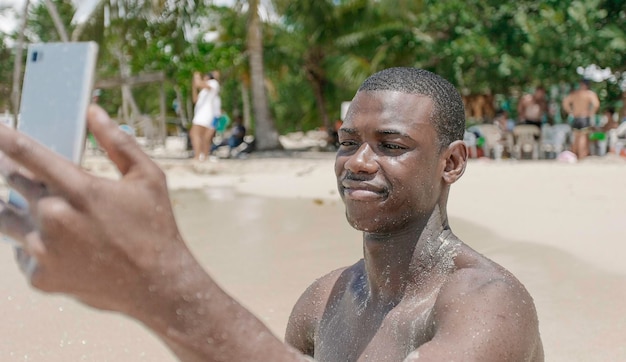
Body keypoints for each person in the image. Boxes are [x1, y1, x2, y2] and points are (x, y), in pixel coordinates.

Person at [0, 67, 543, 361]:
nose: (357, 161)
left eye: (390, 145)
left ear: (451, 163)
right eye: (347, 140)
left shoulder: (488, 306)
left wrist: (156, 282)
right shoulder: (323, 301)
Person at [561, 79, 600, 159]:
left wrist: (571, 111)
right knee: (583, 138)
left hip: (576, 117)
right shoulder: (589, 94)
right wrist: (591, 113)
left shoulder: (575, 94)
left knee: (576, 138)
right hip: (584, 117)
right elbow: (596, 104)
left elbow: (565, 102)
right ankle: (582, 156)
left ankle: (574, 156)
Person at [190, 71, 221, 161]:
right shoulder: (204, 91)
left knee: (194, 134)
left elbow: (199, 83)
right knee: (203, 137)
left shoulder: (213, 83)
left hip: (204, 114)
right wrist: (194, 87)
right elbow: (195, 99)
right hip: (202, 114)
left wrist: (196, 76)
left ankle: (197, 156)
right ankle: (203, 157)